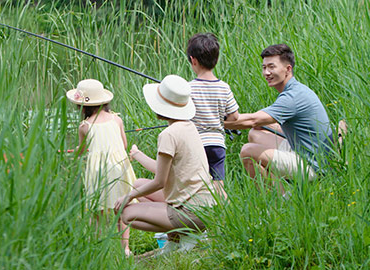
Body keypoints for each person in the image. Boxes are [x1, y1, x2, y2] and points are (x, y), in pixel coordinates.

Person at [114, 74, 219, 255]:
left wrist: (128, 196)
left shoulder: (168, 135)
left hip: (191, 213)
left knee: (127, 214)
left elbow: (159, 181)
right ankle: (176, 241)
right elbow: (165, 171)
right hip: (207, 207)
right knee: (138, 183)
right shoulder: (188, 126)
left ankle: (186, 236)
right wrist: (137, 154)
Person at [224, 44, 333, 192]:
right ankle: (287, 188)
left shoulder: (293, 97)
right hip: (306, 151)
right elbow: (259, 123)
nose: (266, 72)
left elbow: (253, 119)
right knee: (255, 133)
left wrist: (217, 122)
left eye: (271, 67)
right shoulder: (297, 89)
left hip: (313, 165)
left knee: (247, 151)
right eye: (264, 67)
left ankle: (283, 199)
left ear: (288, 69)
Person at [66, 79, 136, 257]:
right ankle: (125, 249)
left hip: (98, 170)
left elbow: (82, 151)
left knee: (97, 211)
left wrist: (70, 152)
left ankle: (97, 248)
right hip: (119, 165)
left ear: (83, 107)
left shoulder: (85, 126)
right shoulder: (116, 119)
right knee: (121, 209)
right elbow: (124, 144)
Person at [186, 33, 239, 197]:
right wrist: (221, 121)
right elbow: (235, 117)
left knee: (197, 185)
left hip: (196, 143)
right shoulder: (224, 87)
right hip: (217, 144)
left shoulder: (189, 88)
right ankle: (222, 213)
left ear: (193, 60)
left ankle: (198, 213)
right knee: (218, 184)